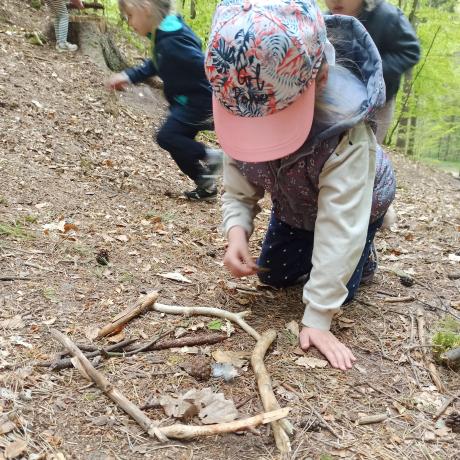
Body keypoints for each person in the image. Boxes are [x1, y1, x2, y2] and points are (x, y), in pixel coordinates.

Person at [205, 0, 396, 370]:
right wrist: (236, 233)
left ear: (320, 78)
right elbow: (238, 184)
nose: (260, 138)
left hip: (358, 205)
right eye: (251, 129)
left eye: (274, 124)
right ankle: (317, 250)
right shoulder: (241, 100)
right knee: (275, 275)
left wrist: (319, 317)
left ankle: (366, 254)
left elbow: (342, 226)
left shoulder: (345, 136)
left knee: (344, 287)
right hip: (295, 202)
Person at [106, 0, 222, 200]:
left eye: (130, 15)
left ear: (146, 8)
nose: (128, 22)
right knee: (175, 141)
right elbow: (156, 64)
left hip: (196, 101)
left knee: (167, 137)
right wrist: (128, 76)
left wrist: (220, 90)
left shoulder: (172, 41)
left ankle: (214, 157)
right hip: (186, 101)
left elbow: (200, 63)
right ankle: (205, 184)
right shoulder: (165, 35)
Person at [325, 0, 420, 143]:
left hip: (378, 105)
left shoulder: (388, 16)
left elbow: (410, 51)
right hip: (340, 101)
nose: (335, 0)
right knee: (337, 147)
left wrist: (372, 73)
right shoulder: (327, 21)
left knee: (369, 148)